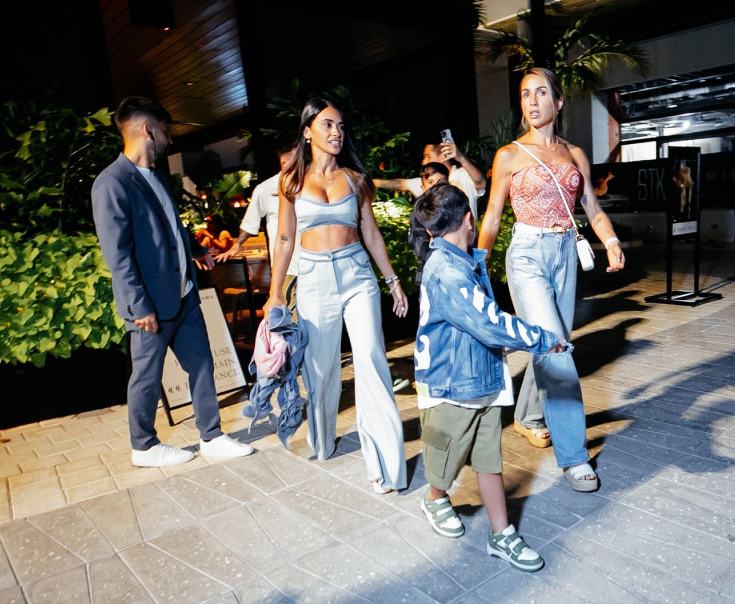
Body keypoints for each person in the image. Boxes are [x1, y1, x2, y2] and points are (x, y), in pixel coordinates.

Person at [477, 67, 625, 492]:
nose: (533, 101)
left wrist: (610, 241)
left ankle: (527, 416)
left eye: (542, 93)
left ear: (558, 103)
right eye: (526, 94)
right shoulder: (509, 155)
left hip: (566, 255)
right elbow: (492, 214)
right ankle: (574, 456)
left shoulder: (576, 154)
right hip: (526, 255)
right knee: (558, 349)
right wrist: (477, 263)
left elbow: (592, 209)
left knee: (549, 341)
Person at [92, 96, 255, 467]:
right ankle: (144, 446)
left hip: (184, 296)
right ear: (148, 130)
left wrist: (195, 251)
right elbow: (117, 254)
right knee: (147, 377)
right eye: (165, 131)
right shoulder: (111, 183)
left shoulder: (160, 177)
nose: (169, 138)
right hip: (150, 304)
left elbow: (171, 230)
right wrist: (138, 306)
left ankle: (211, 436)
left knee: (202, 366)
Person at [414, 183, 565, 572]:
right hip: (452, 386)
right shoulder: (446, 270)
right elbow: (489, 323)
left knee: (488, 461)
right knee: (443, 460)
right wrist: (543, 339)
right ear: (469, 219)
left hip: (481, 380)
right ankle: (435, 498)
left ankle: (502, 535)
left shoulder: (464, 259)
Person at [263, 97, 409, 494]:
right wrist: (275, 292)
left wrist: (392, 280)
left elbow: (371, 234)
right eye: (327, 125)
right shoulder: (291, 181)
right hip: (313, 279)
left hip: (357, 275)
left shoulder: (356, 178)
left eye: (341, 126)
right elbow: (286, 238)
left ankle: (386, 466)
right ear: (307, 130)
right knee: (322, 369)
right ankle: (323, 440)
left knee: (372, 362)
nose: (336, 133)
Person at [217, 139, 301, 309]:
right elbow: (250, 222)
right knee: (294, 322)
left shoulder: (314, 186)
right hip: (289, 270)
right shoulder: (266, 189)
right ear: (284, 161)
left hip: (319, 267)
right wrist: (237, 245)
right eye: (300, 157)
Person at [374, 135, 486, 217]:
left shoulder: (463, 175)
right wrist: (369, 181)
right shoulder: (427, 182)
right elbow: (402, 184)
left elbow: (480, 182)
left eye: (427, 156)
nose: (423, 162)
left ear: (444, 156)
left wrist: (461, 158)